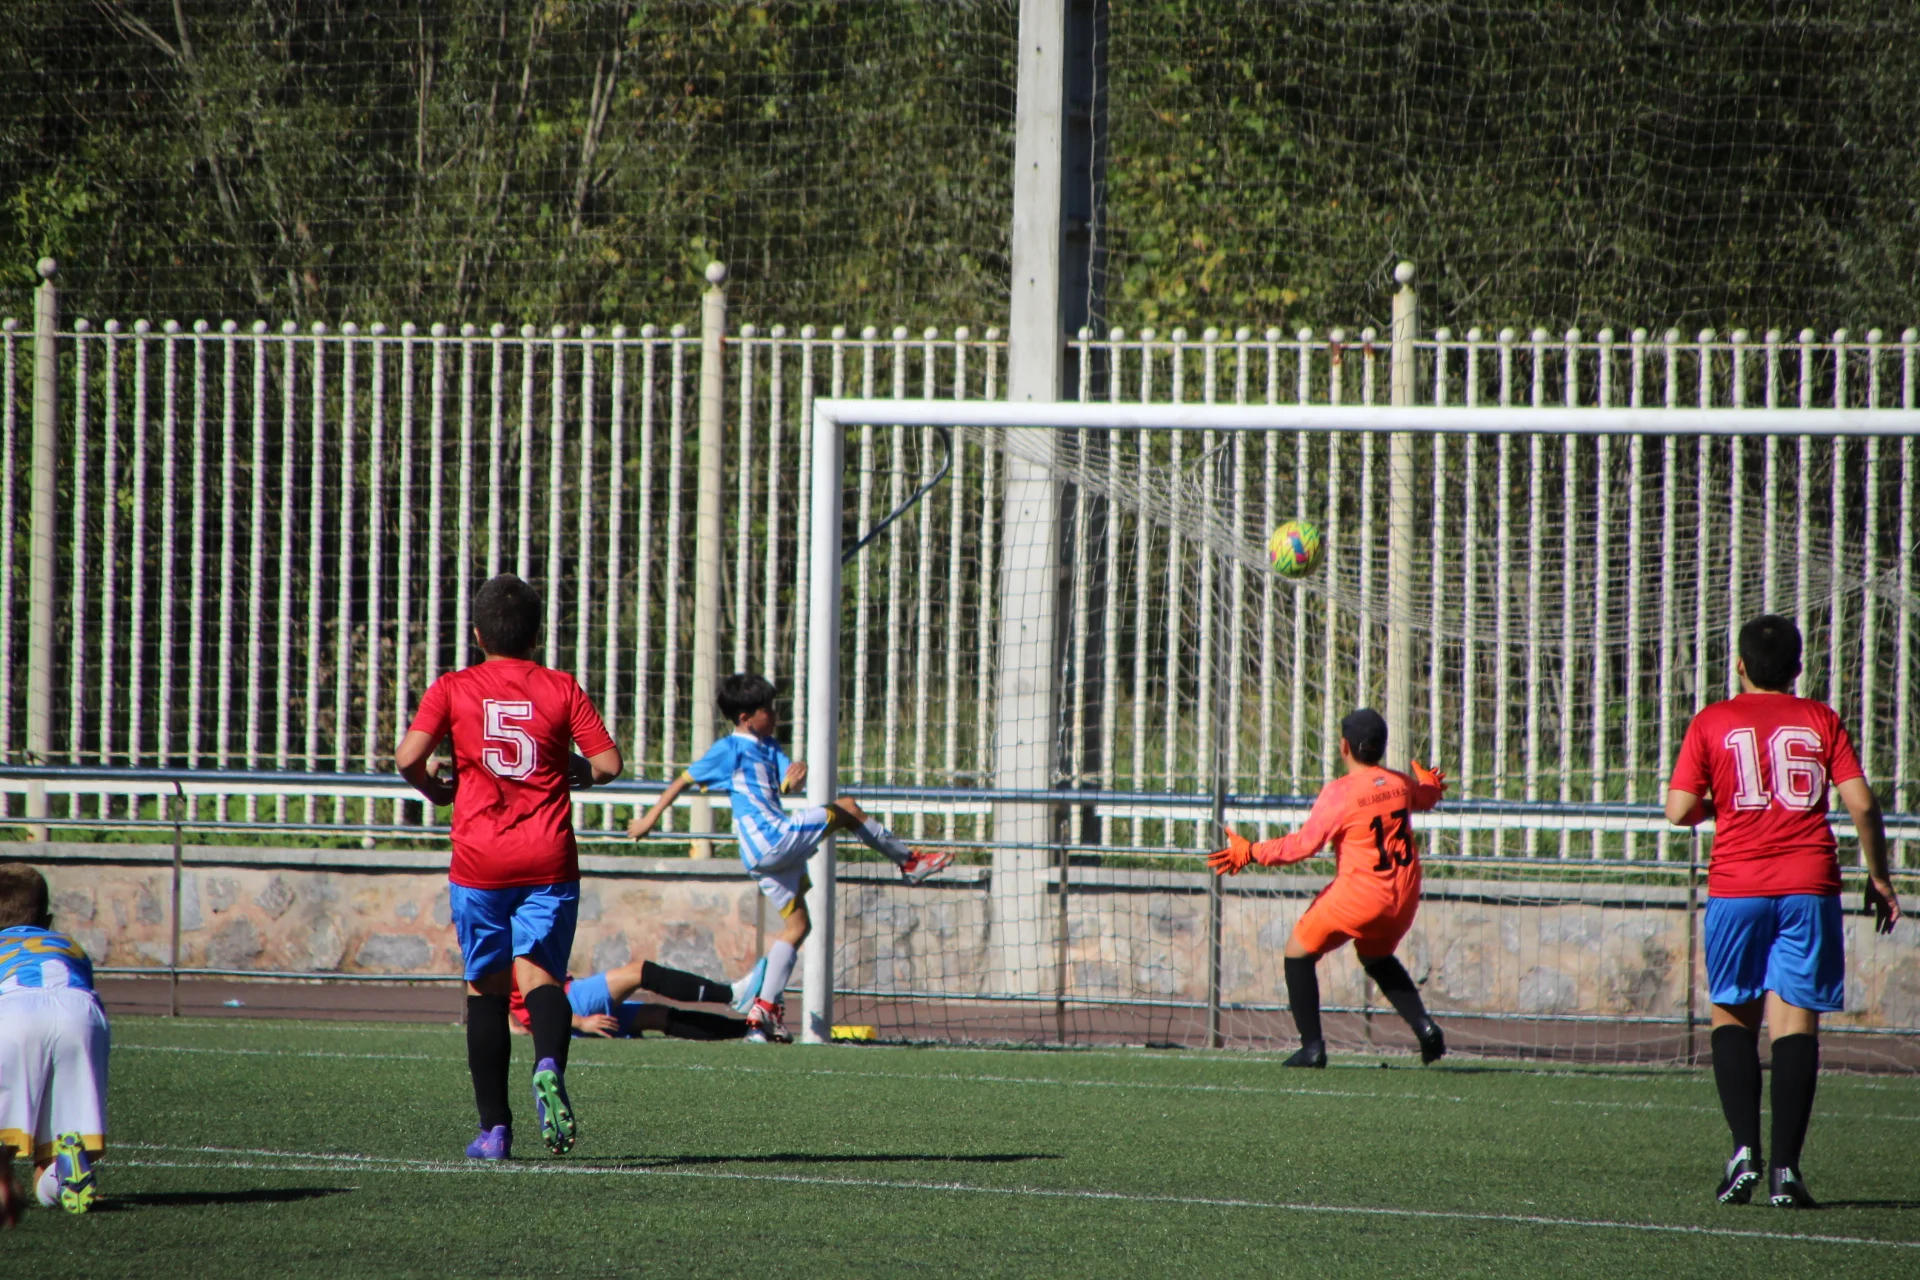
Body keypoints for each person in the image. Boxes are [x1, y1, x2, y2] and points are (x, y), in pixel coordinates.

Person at [1666, 613, 1901, 1209]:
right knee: (1796, 1026)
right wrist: (1879, 877)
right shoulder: (1820, 719)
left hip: (1737, 886)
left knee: (1733, 1014)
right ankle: (1786, 1171)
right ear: (1798, 668)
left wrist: (1720, 806)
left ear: (1739, 665)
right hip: (1808, 885)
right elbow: (1862, 804)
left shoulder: (1713, 720)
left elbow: (1679, 809)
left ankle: (1743, 1152)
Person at [397, 573, 623, 1161]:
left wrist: (434, 788)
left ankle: (494, 1131)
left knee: (486, 992)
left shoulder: (453, 687)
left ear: (477, 634)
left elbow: (408, 757)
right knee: (542, 978)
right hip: (548, 857)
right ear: (537, 634)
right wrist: (574, 768)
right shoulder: (560, 687)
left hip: (480, 862)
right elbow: (608, 764)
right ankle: (547, 1062)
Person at [627, 673, 951, 1044]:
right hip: (771, 838)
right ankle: (909, 862)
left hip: (764, 855)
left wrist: (795, 778)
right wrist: (649, 819)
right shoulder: (728, 749)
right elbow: (682, 780)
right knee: (847, 807)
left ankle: (761, 1014)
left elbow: (785, 783)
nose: (775, 713)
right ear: (746, 717)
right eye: (767, 709)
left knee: (797, 927)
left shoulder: (769, 746)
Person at [1207, 708, 1448, 1069]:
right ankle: (1426, 1029)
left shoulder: (1340, 793)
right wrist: (1431, 785)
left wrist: (1252, 851)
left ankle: (1312, 1048)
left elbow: (1302, 846)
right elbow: (1424, 797)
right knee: (1376, 956)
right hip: (1404, 896)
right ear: (1381, 747)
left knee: (1297, 952)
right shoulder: (1399, 783)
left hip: (1361, 896)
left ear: (1344, 746)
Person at [0, 863, 109, 1223]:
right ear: (46, 920)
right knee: (54, 1147)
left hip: (12, 1010)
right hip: (80, 1014)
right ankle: (63, 1175)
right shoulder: (69, 945)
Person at [507, 957, 759, 1041]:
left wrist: (513, 1024)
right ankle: (732, 995)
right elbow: (529, 999)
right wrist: (581, 1022)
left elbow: (500, 993)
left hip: (567, 1005)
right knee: (639, 972)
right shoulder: (501, 936)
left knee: (659, 1017)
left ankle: (749, 1030)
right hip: (570, 1006)